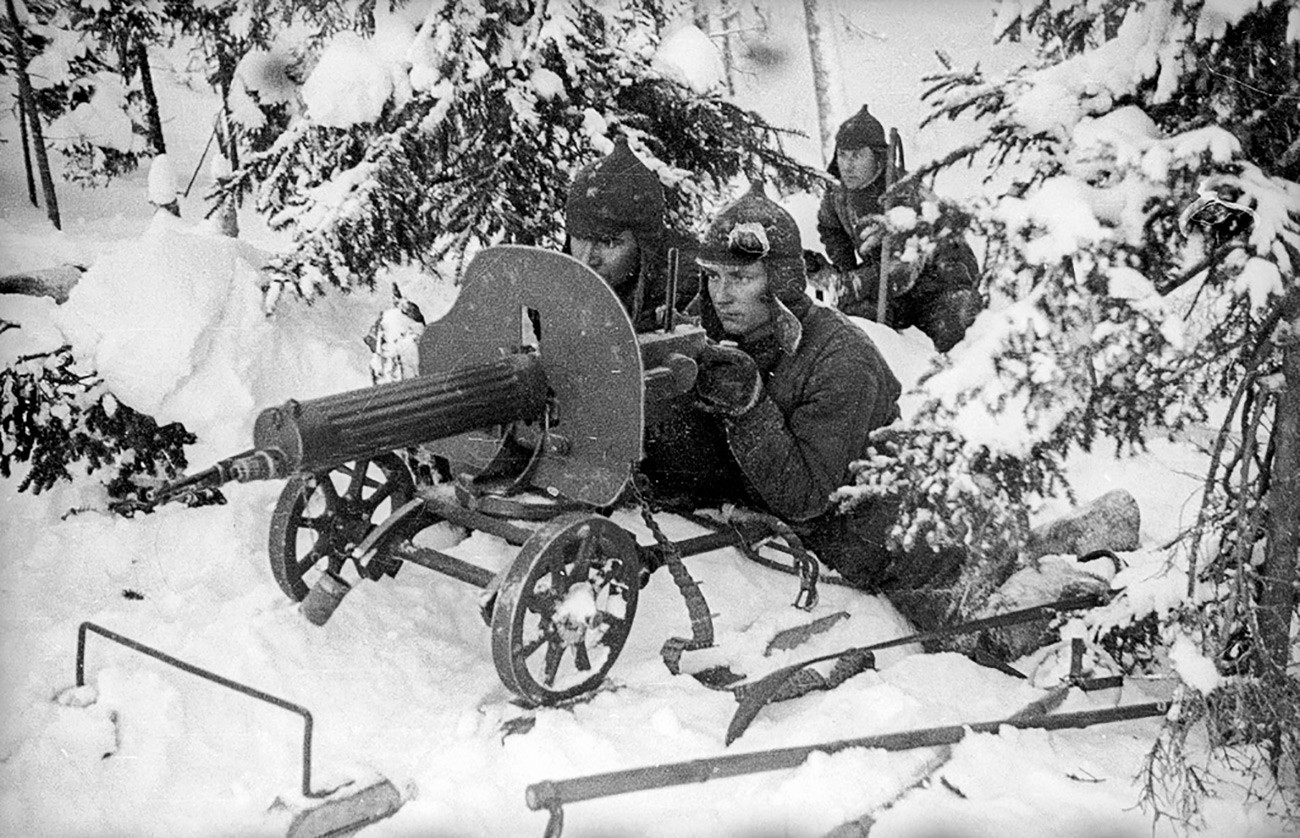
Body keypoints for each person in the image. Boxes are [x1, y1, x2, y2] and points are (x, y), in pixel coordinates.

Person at [644, 181, 908, 587]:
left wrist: (750, 408)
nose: (722, 295)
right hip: (765, 526)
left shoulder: (841, 359)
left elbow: (807, 499)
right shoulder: (718, 328)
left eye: (741, 277)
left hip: (873, 544)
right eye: (713, 277)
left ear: (780, 282)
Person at [815, 104, 983, 352]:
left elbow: (903, 269)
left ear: (877, 156)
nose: (847, 166)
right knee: (854, 321)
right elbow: (831, 229)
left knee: (959, 327)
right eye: (843, 155)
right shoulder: (837, 194)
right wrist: (845, 271)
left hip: (940, 283)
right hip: (889, 286)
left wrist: (854, 283)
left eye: (858, 156)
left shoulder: (904, 194)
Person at [564, 137, 698, 332]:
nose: (588, 259)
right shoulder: (552, 287)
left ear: (645, 245)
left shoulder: (691, 293)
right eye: (580, 238)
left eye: (608, 242)